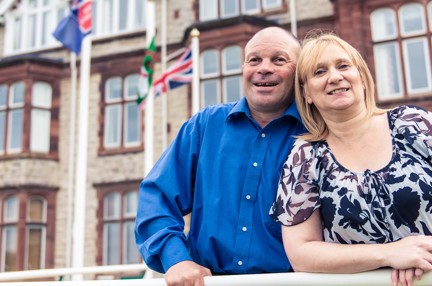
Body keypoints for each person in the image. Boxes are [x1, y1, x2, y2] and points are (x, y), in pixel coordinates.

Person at [135, 26, 306, 286]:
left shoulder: (314, 133)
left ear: (299, 72)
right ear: (244, 69)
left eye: (279, 60)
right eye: (254, 60)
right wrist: (176, 259)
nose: (264, 68)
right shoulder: (205, 126)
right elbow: (156, 197)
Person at [270, 32, 432, 286]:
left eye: (343, 66)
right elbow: (301, 253)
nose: (335, 77)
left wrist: (420, 252)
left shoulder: (414, 124)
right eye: (319, 72)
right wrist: (389, 254)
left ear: (362, 77)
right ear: (307, 93)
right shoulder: (305, 157)